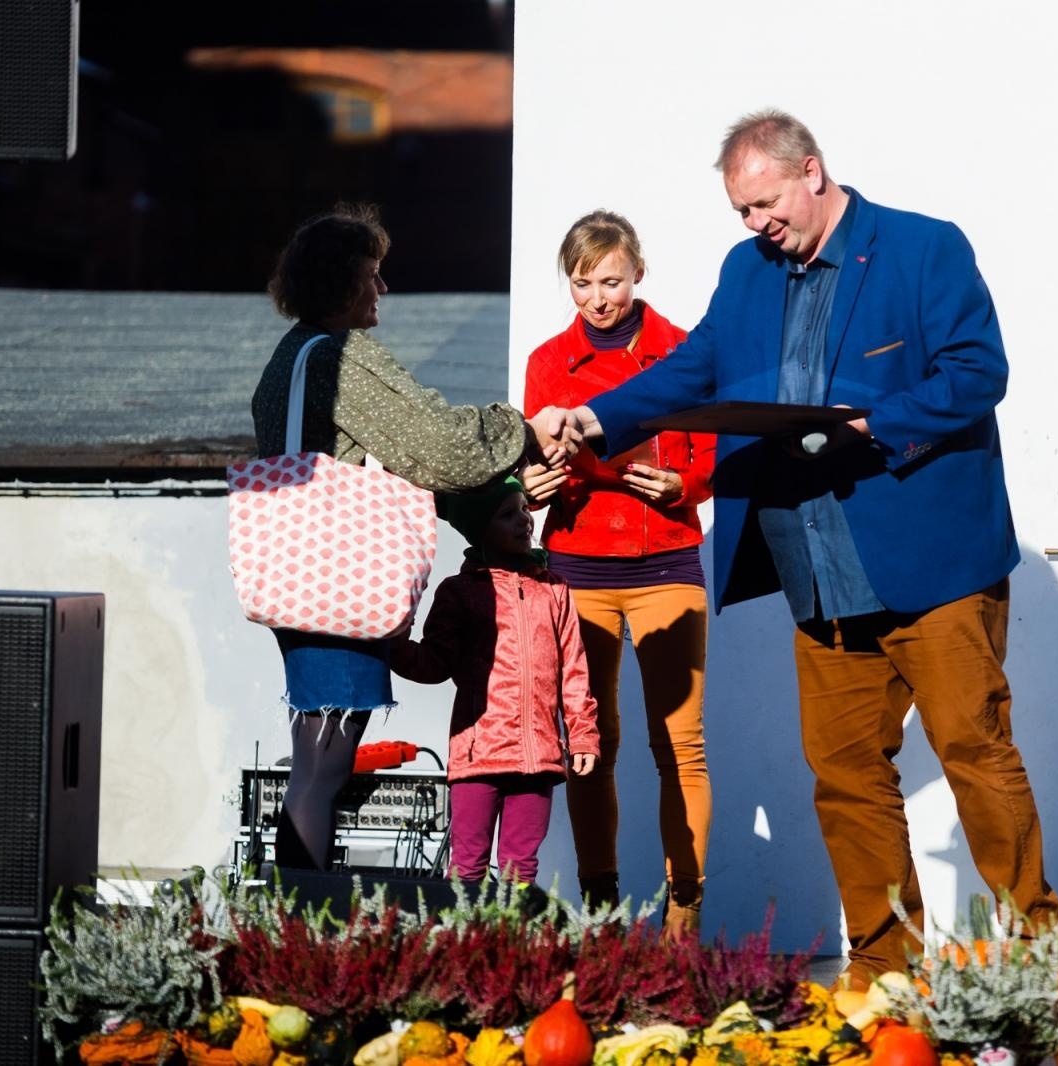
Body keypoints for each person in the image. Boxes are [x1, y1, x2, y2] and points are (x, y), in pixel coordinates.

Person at [541, 111, 1058, 987]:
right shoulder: (746, 273)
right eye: (741, 210)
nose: (755, 224)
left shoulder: (924, 249)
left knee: (976, 754)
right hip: (817, 575)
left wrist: (874, 426)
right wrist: (599, 419)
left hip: (934, 570)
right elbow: (695, 367)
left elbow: (979, 374)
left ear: (812, 172)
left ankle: (1039, 956)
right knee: (847, 777)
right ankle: (885, 971)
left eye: (763, 203)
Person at [252, 203, 573, 871]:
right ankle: (303, 927)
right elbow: (436, 446)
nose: (383, 289)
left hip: (293, 576)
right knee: (325, 765)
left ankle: (293, 922)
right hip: (342, 582)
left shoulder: (288, 360)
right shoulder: (341, 358)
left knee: (314, 756)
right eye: (373, 275)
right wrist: (521, 432)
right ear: (344, 283)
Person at [520, 210, 716, 935]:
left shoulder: (683, 351)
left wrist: (685, 488)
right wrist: (536, 483)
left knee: (680, 745)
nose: (599, 298)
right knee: (589, 745)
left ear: (638, 273)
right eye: (582, 283)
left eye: (611, 280)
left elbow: (708, 454)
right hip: (577, 562)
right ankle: (600, 914)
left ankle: (682, 920)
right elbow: (535, 454)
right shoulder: (547, 360)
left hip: (666, 558)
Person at [389, 476, 600, 887]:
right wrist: (394, 641)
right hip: (477, 757)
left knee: (521, 869)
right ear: (480, 528)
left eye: (524, 509)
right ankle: (464, 949)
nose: (524, 520)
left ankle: (512, 950)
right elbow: (433, 664)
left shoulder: (554, 590)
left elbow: (574, 668)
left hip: (538, 758)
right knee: (467, 865)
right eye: (508, 514)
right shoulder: (459, 593)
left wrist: (584, 734)